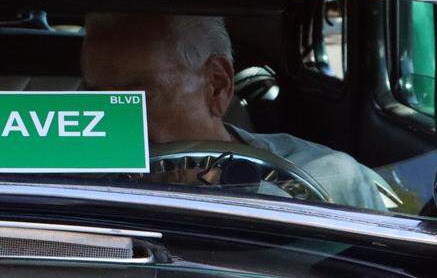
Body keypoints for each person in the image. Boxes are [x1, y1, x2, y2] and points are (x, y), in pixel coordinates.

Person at [81, 13, 388, 211]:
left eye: (137, 98)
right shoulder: (67, 188)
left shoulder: (332, 179)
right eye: (95, 101)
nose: (111, 122)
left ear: (216, 84)